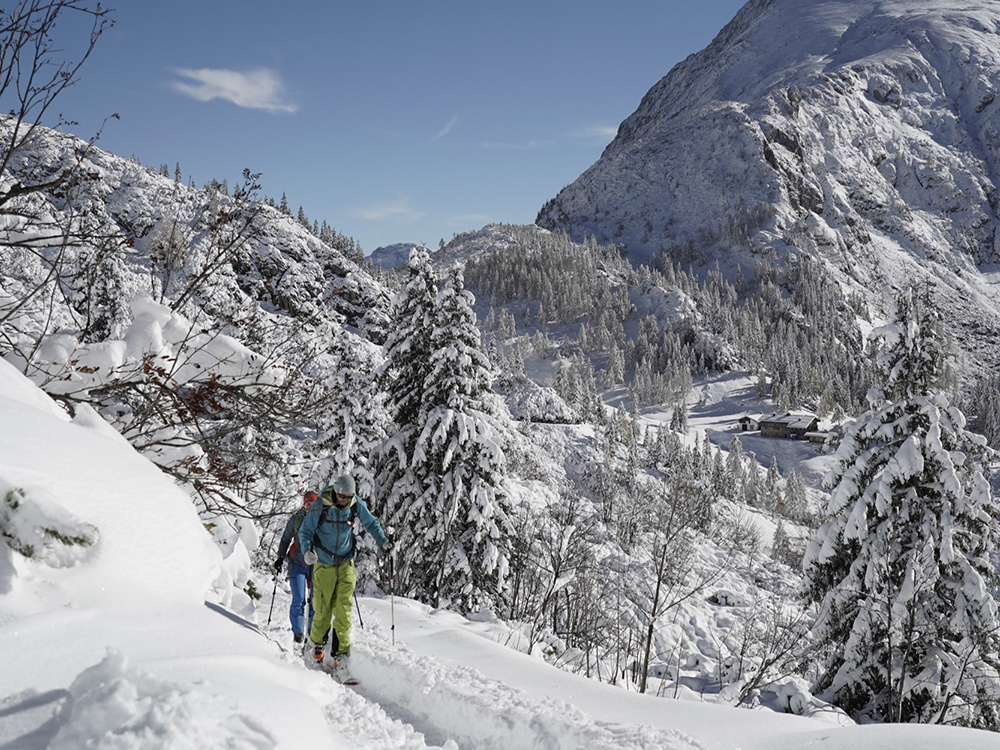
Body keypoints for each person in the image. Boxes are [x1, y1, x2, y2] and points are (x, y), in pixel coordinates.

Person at [298, 474, 390, 672]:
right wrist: (307, 551)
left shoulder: (355, 504)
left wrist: (383, 541)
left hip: (346, 564)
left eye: (349, 497)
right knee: (322, 611)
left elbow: (371, 523)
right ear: (336, 493)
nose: (346, 501)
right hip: (324, 565)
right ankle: (316, 649)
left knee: (344, 611)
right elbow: (305, 531)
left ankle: (341, 658)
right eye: (343, 497)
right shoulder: (321, 505)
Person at [273, 491, 318, 644]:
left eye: (312, 504)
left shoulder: (322, 520)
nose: (309, 507)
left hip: (315, 565)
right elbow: (286, 539)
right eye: (307, 504)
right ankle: (298, 633)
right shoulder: (296, 520)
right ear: (304, 504)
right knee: (298, 599)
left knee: (314, 601)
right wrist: (280, 557)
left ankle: (313, 634)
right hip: (297, 563)